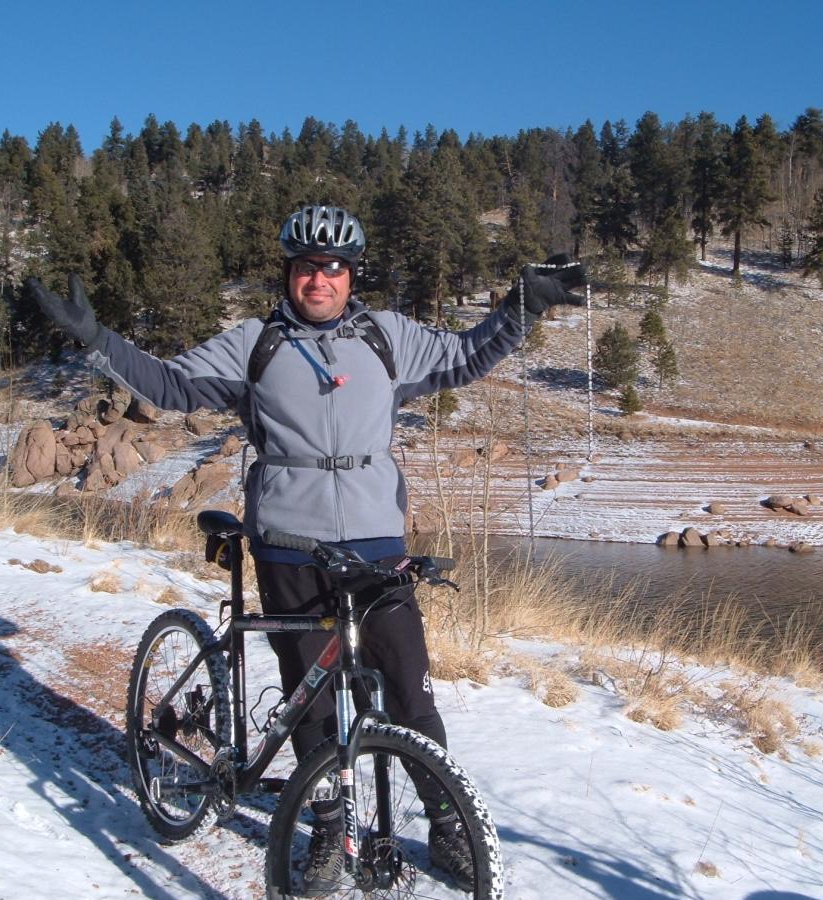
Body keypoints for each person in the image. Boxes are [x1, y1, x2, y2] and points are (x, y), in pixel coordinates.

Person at [29, 204, 585, 891]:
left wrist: (523, 306)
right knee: (311, 698)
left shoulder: (388, 338)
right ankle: (326, 827)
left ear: (351, 276)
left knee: (410, 690)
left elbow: (468, 355)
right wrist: (95, 338)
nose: (318, 280)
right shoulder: (255, 344)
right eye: (305, 268)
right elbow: (170, 384)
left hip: (378, 543)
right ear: (288, 273)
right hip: (289, 544)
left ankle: (446, 826)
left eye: (333, 268)